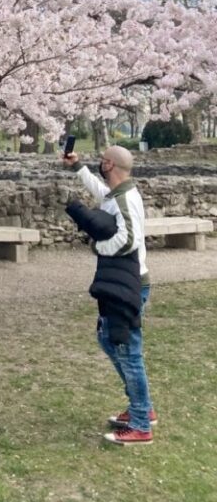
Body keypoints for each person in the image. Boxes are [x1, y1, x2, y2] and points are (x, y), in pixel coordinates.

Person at [64, 145, 156, 445]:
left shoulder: (126, 198)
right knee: (107, 339)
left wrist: (97, 248)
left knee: (129, 352)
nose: (99, 162)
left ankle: (142, 423)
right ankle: (141, 407)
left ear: (109, 164)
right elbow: (101, 191)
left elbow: (128, 239)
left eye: (103, 159)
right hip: (124, 281)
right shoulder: (118, 193)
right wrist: (78, 168)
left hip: (130, 283)